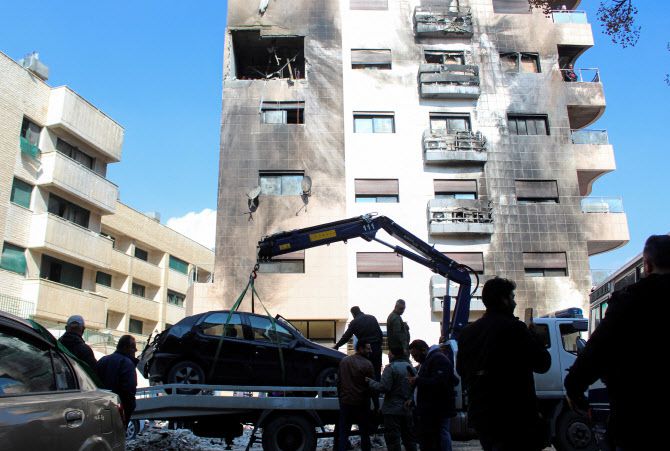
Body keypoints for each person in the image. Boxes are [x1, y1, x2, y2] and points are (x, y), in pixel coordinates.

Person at [565, 235, 670, 450]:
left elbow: (598, 350)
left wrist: (574, 387)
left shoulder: (629, 301)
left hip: (637, 418)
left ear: (647, 265)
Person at [457, 277, 551, 451]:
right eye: (512, 297)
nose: (515, 302)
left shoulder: (467, 333)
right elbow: (542, 364)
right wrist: (536, 338)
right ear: (504, 300)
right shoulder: (515, 328)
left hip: (482, 416)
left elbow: (461, 370)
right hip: (515, 417)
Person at [408, 339, 458, 451]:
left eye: (415, 355)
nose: (415, 359)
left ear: (424, 350)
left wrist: (418, 380)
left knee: (440, 434)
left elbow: (439, 382)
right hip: (432, 408)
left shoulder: (437, 359)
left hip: (438, 408)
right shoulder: (429, 360)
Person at [367, 346, 417, 451]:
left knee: (393, 440)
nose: (388, 355)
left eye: (389, 353)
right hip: (407, 409)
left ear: (393, 355)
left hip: (392, 410)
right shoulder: (411, 367)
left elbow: (384, 387)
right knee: (409, 438)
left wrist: (370, 382)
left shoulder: (390, 368)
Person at [337, 339, 376, 451]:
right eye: (368, 348)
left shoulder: (344, 361)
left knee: (343, 433)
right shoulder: (368, 364)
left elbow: (339, 382)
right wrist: (376, 405)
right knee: (364, 433)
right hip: (361, 403)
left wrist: (341, 398)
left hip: (346, 402)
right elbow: (372, 386)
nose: (370, 351)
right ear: (360, 348)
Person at [97, 335, 138, 426]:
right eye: (133, 347)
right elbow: (129, 389)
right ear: (126, 348)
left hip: (100, 407)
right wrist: (129, 408)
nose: (135, 350)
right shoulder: (127, 363)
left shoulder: (103, 360)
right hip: (119, 409)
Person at [334, 306, 383, 380]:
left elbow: (346, 337)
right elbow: (380, 334)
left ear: (353, 314)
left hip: (365, 350)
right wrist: (379, 345)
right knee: (377, 371)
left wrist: (337, 346)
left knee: (365, 373)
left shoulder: (354, 323)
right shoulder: (372, 318)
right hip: (376, 348)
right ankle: (377, 386)